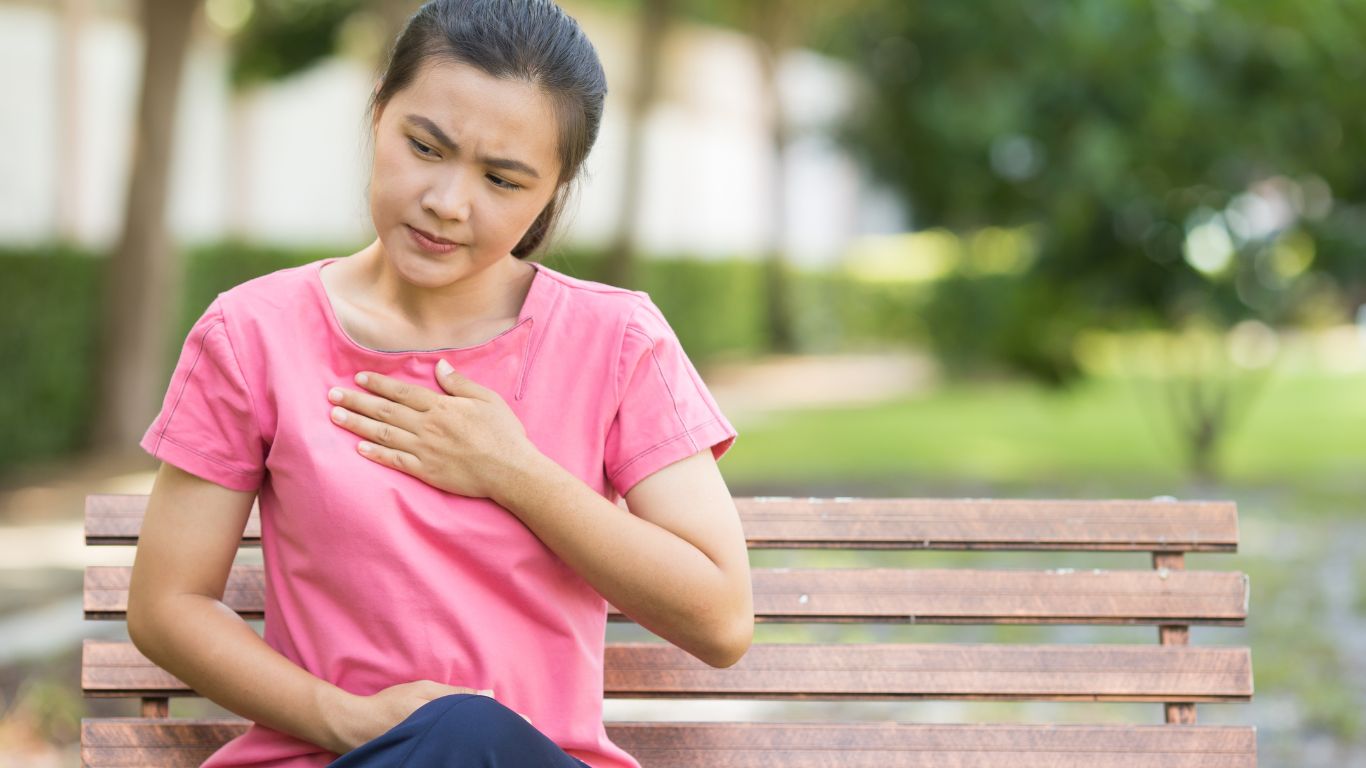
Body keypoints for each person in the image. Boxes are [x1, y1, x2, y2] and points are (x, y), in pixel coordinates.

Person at [124, 1, 753, 766]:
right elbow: (167, 605)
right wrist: (345, 720)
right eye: (426, 146)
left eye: (502, 179)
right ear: (379, 113)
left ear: (550, 192)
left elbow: (721, 621)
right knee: (453, 734)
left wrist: (512, 472)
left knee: (470, 735)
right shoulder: (255, 333)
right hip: (334, 758)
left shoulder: (617, 342)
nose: (448, 203)